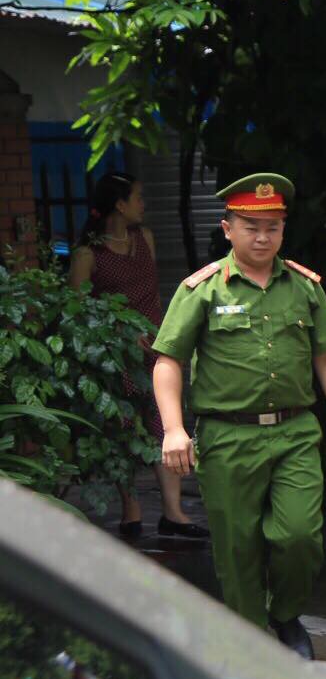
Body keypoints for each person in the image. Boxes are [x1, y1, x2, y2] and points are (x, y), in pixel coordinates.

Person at [151, 173, 326, 659]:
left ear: (284, 229)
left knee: (300, 537)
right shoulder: (202, 290)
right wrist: (174, 428)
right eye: (251, 226)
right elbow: (168, 361)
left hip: (295, 432)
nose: (263, 236)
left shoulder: (305, 288)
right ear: (228, 228)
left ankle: (284, 613)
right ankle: (251, 647)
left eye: (273, 226)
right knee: (237, 551)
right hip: (228, 438)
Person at [67, 171, 203, 542]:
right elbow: (77, 313)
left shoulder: (145, 239)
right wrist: (123, 335)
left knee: (165, 424)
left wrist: (163, 335)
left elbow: (153, 294)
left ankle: (174, 513)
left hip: (156, 349)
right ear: (119, 204)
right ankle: (132, 510)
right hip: (117, 355)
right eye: (138, 198)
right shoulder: (88, 254)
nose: (144, 204)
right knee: (124, 430)